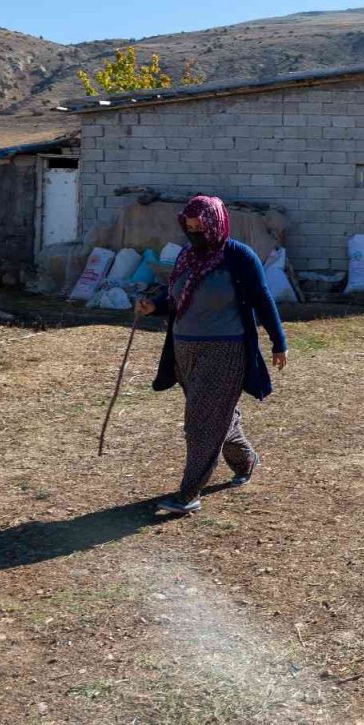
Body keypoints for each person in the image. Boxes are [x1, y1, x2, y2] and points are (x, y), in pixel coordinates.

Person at [136, 195, 288, 514]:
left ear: (216, 225)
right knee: (213, 413)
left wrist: (278, 342)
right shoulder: (185, 258)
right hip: (184, 349)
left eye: (200, 228)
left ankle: (189, 492)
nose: (194, 234)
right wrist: (154, 306)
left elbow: (262, 298)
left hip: (225, 349)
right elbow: (175, 297)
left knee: (200, 422)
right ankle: (245, 460)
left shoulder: (238, 257)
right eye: (189, 228)